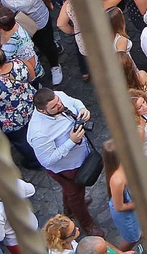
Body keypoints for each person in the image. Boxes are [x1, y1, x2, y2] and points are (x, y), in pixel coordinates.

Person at [27, 88, 99, 234]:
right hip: (67, 168)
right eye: (54, 107)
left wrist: (82, 109)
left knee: (71, 191)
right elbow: (46, 160)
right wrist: (71, 142)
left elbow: (74, 102)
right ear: (43, 111)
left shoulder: (57, 96)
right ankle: (87, 224)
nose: (60, 105)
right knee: (76, 195)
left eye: (58, 101)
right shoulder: (39, 133)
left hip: (81, 156)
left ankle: (69, 210)